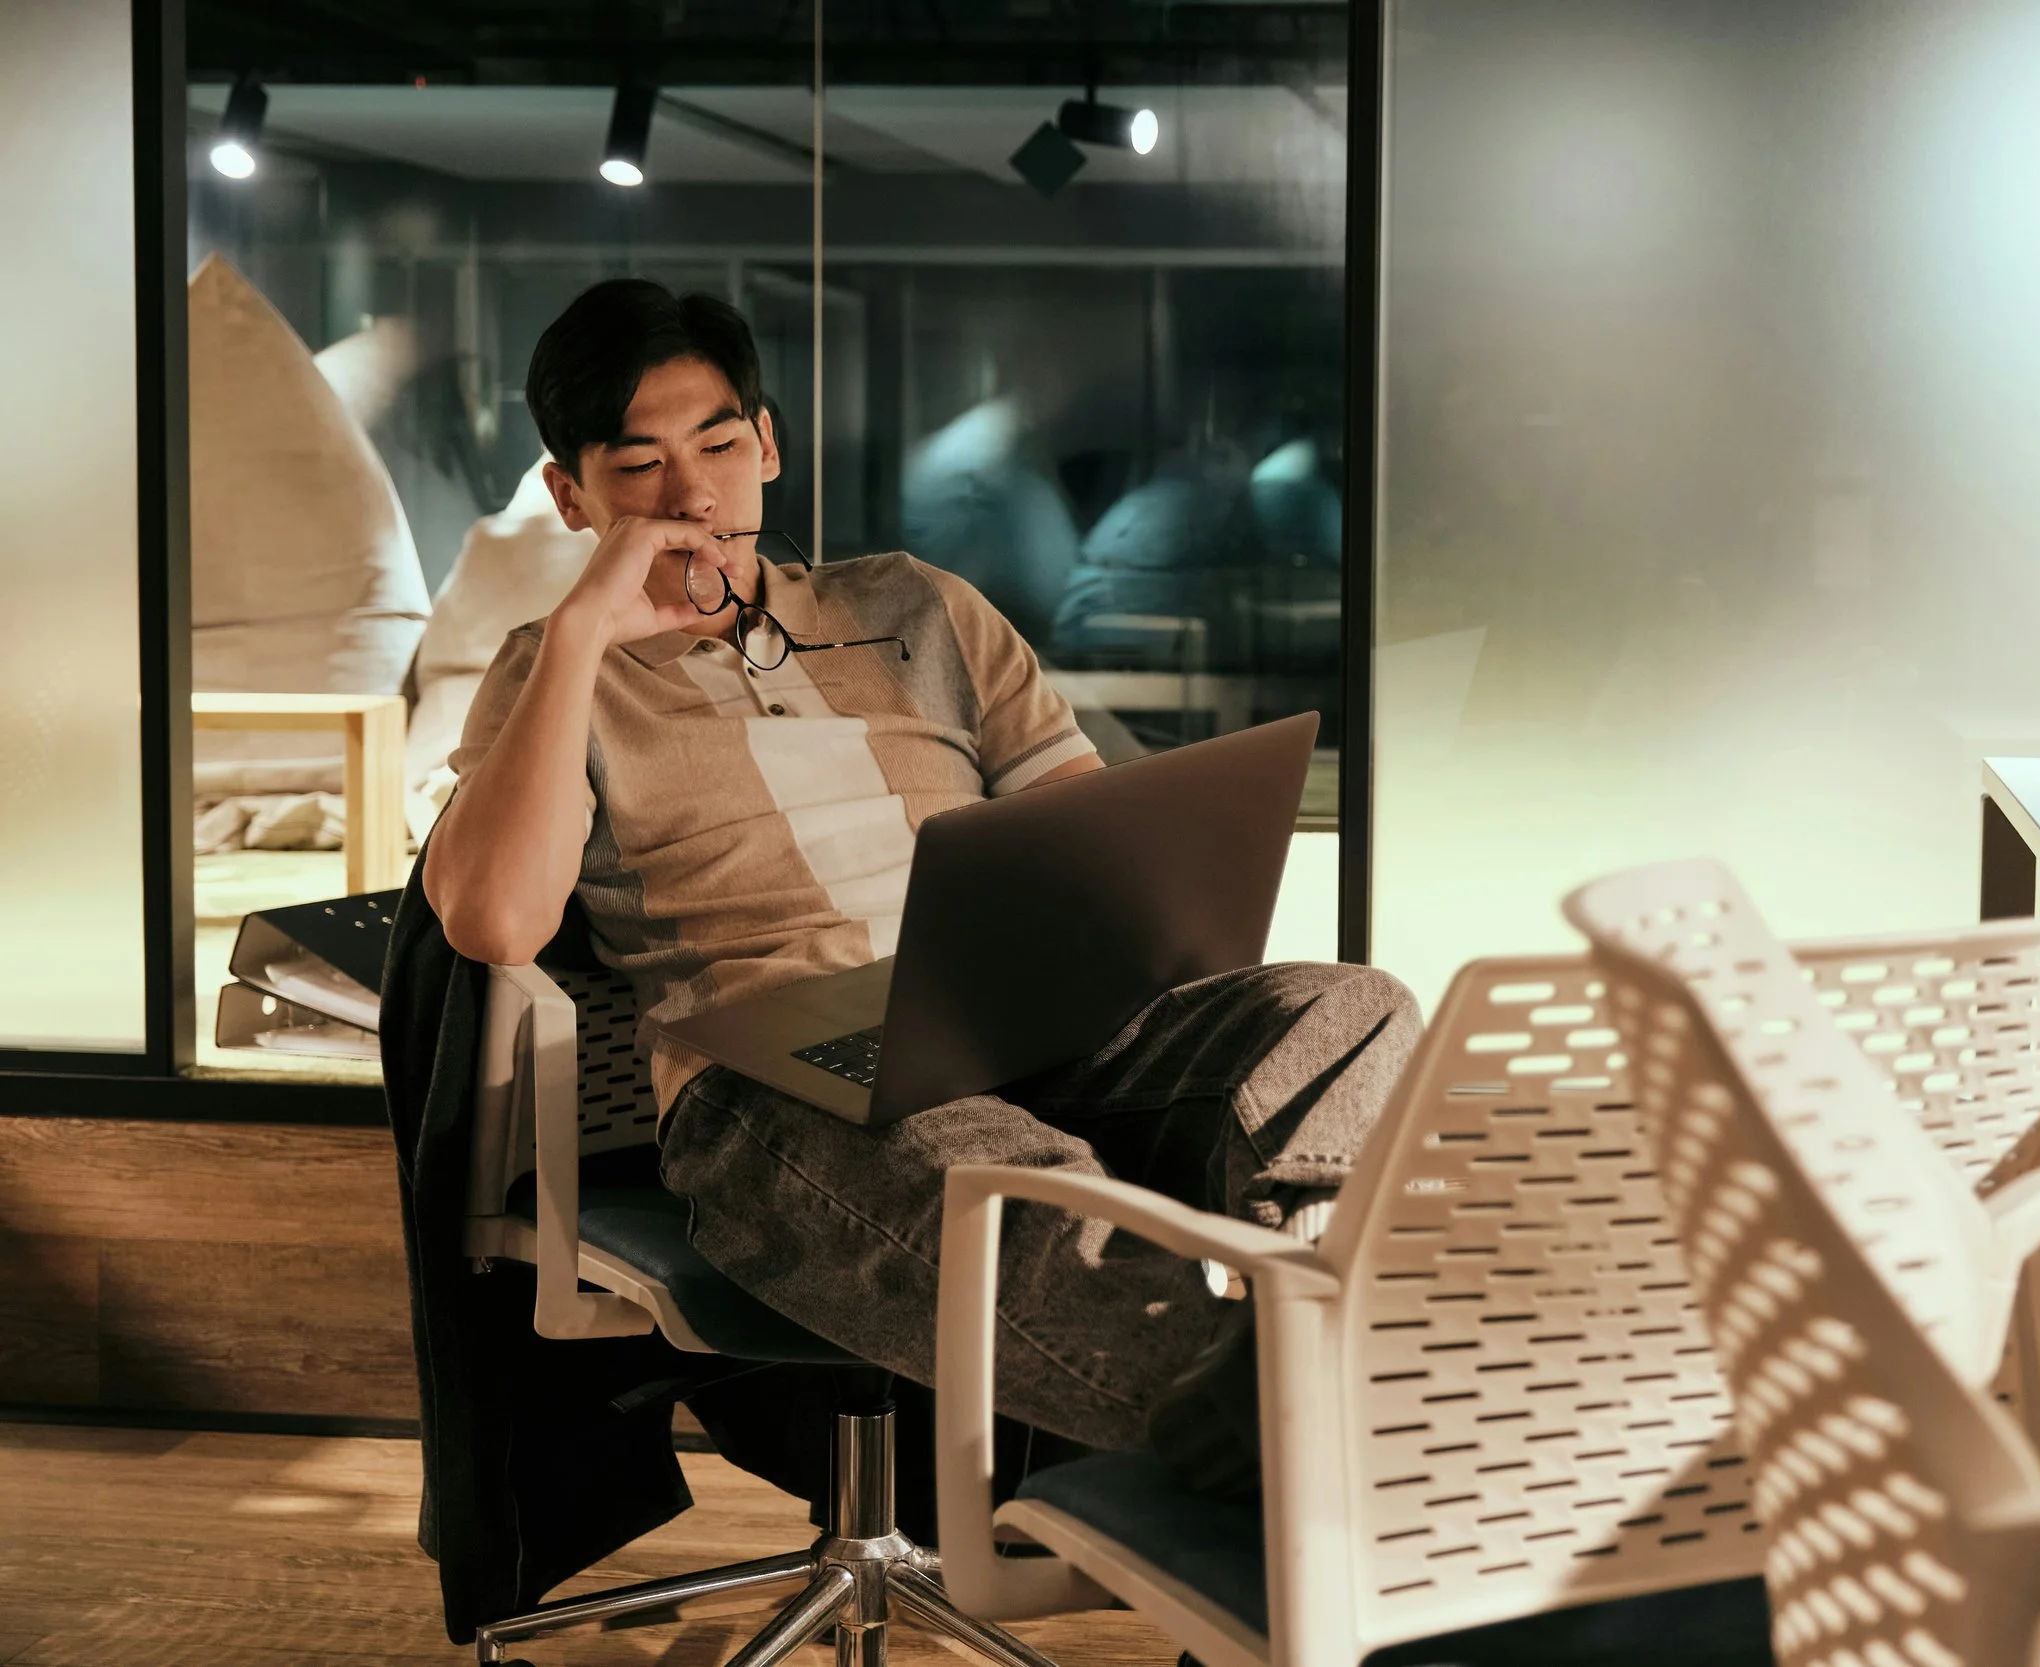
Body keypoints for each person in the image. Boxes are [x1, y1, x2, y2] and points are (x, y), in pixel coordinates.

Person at [423, 278, 1415, 1496]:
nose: (693, 497)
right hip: (782, 1072)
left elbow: (1091, 844)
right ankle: (1264, 1413)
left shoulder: (918, 608)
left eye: (721, 445)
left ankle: (1327, 1307)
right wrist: (580, 634)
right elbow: (493, 919)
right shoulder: (549, 674)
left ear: (768, 444)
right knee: (979, 1162)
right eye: (639, 469)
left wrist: (1154, 924)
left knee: (1341, 1007)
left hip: (1025, 1016)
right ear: (572, 497)